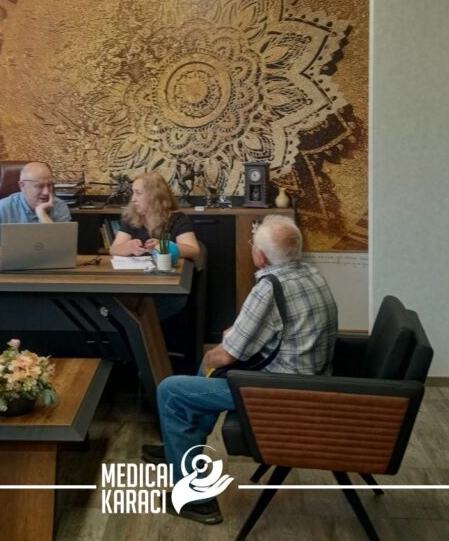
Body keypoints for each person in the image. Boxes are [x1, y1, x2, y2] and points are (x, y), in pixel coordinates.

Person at [145, 215, 338, 525]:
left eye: (252, 244)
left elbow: (226, 354)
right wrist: (229, 345)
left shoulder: (269, 288)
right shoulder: (312, 275)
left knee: (173, 390)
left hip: (280, 392)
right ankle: (180, 447)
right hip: (309, 381)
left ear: (260, 256)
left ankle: (196, 500)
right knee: (208, 364)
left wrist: (221, 350)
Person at [109, 172, 200, 321]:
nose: (133, 199)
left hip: (167, 288)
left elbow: (193, 250)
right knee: (124, 307)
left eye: (138, 193)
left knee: (133, 313)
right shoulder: (132, 217)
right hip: (136, 284)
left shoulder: (177, 219)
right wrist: (129, 247)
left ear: (154, 196)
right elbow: (114, 249)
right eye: (133, 193)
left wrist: (163, 246)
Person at [0, 161, 71, 258]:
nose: (46, 192)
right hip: (12, 269)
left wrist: (42, 214)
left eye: (49, 185)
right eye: (40, 186)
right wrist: (8, 253)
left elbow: (63, 250)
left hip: (50, 269)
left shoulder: (59, 207)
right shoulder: (3, 207)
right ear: (22, 186)